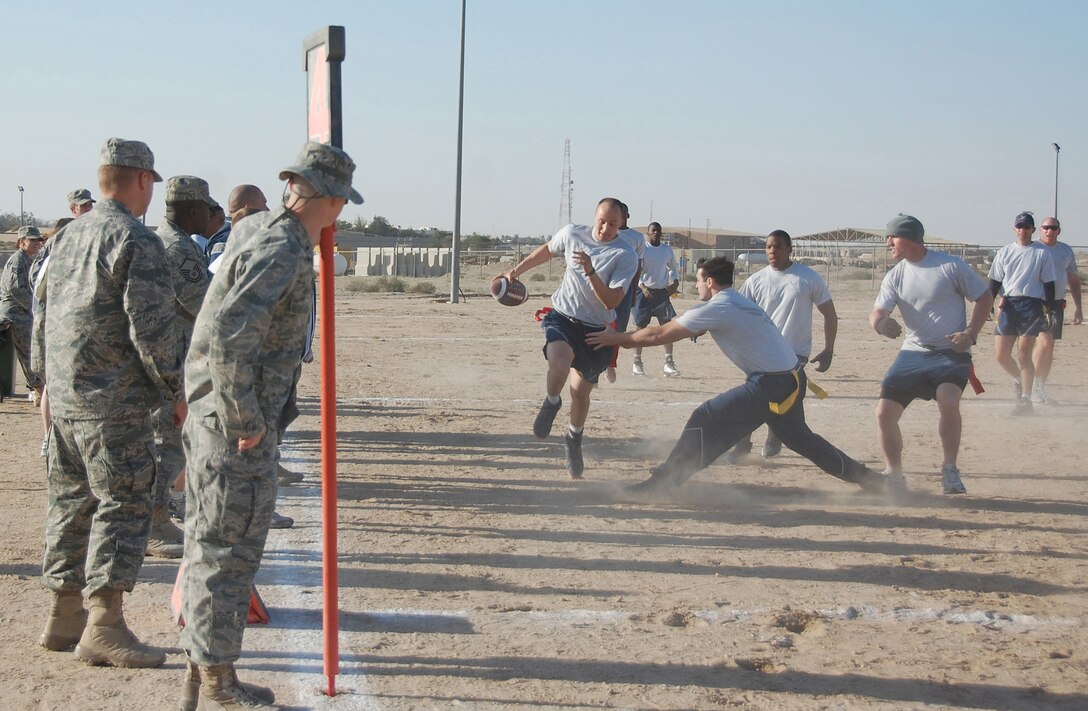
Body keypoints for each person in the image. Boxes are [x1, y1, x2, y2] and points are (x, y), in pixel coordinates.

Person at [179, 141, 362, 710]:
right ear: (330, 201)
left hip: (217, 418)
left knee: (213, 546)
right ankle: (217, 684)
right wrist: (247, 421)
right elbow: (232, 332)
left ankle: (204, 673)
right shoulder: (282, 248)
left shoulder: (260, 231)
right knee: (229, 554)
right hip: (232, 428)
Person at [32, 137, 182, 668]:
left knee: (70, 505)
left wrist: (43, 382)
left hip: (68, 400)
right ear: (141, 180)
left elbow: (43, 310)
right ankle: (104, 625)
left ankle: (62, 616)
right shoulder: (136, 239)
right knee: (123, 506)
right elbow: (153, 329)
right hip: (114, 405)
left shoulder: (67, 235)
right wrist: (178, 389)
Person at [587, 256, 890, 494]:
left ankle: (665, 480)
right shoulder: (737, 300)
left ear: (711, 282)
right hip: (790, 379)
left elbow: (658, 334)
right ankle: (868, 479)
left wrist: (616, 339)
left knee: (705, 417)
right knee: (804, 442)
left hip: (772, 383)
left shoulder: (720, 305)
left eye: (700, 281)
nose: (696, 286)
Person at [499, 197, 638, 479]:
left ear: (622, 223)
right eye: (602, 221)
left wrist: (590, 270)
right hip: (563, 317)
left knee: (580, 394)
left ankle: (574, 439)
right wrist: (515, 272)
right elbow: (547, 251)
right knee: (559, 363)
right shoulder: (574, 233)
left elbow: (611, 301)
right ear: (594, 216)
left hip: (595, 329)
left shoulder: (625, 255)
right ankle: (551, 401)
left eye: (613, 224)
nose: (606, 228)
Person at [870, 214, 993, 495]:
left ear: (910, 238)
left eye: (892, 237)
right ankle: (894, 475)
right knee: (884, 412)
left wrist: (971, 333)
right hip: (913, 352)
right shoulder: (895, 275)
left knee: (948, 401)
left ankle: (950, 469)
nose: (888, 242)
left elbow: (984, 296)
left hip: (951, 353)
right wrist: (879, 323)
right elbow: (877, 311)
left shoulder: (950, 265)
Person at [148, 175, 215, 559]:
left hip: (170, 359)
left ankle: (155, 516)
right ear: (191, 209)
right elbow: (204, 304)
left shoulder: (168, 242)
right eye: (205, 207)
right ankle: (154, 521)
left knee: (167, 443)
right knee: (166, 444)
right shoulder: (177, 248)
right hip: (172, 362)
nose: (208, 214)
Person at [728, 229, 836, 461]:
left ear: (789, 249)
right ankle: (755, 441)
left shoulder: (807, 278)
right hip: (762, 354)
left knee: (766, 397)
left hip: (795, 352)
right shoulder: (755, 281)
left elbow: (829, 314)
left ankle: (760, 440)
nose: (772, 251)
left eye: (777, 247)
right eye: (768, 247)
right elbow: (736, 312)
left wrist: (828, 350)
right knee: (762, 397)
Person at [988, 211, 1057, 415]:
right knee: (1000, 354)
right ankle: (1019, 380)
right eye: (1019, 226)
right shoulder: (1005, 252)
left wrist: (1050, 309)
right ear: (1014, 228)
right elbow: (995, 281)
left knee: (1024, 353)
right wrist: (988, 303)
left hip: (1031, 304)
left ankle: (1026, 399)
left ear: (1033, 230)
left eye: (1026, 227)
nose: (1022, 230)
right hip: (1009, 304)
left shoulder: (1041, 252)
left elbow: (1049, 283)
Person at [1031, 216, 1082, 404]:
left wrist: (1078, 308)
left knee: (1049, 345)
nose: (1049, 231)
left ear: (1059, 231)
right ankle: (1031, 385)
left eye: (1053, 228)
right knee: (1044, 341)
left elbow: (1073, 280)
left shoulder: (1065, 250)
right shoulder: (1033, 248)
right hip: (1036, 301)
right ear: (1040, 230)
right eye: (1045, 228)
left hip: (1057, 303)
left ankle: (1039, 386)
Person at [0, 226, 46, 399]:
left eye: (38, 240)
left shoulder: (26, 259)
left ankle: (39, 390)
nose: (37, 243)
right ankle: (40, 391)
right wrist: (33, 307)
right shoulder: (18, 259)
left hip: (20, 312)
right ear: (21, 242)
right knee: (29, 353)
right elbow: (16, 288)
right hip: (15, 313)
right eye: (32, 240)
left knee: (30, 353)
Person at [630, 221, 680, 377]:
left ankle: (669, 363)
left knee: (667, 329)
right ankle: (637, 363)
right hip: (643, 294)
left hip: (661, 294)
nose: (656, 233)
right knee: (640, 329)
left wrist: (675, 282)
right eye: (653, 231)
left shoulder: (666, 250)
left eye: (659, 231)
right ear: (648, 232)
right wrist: (642, 287)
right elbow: (635, 271)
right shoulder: (642, 249)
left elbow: (673, 268)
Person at [603, 202, 645, 382]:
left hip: (625, 289)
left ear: (626, 216)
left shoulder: (636, 238)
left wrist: (634, 290)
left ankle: (610, 365)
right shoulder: (607, 234)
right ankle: (594, 367)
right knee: (599, 326)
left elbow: (638, 266)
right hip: (604, 287)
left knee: (619, 328)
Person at [204, 183, 269, 267]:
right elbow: (216, 275)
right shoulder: (228, 239)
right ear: (248, 207)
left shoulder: (222, 234)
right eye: (264, 204)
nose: (268, 210)